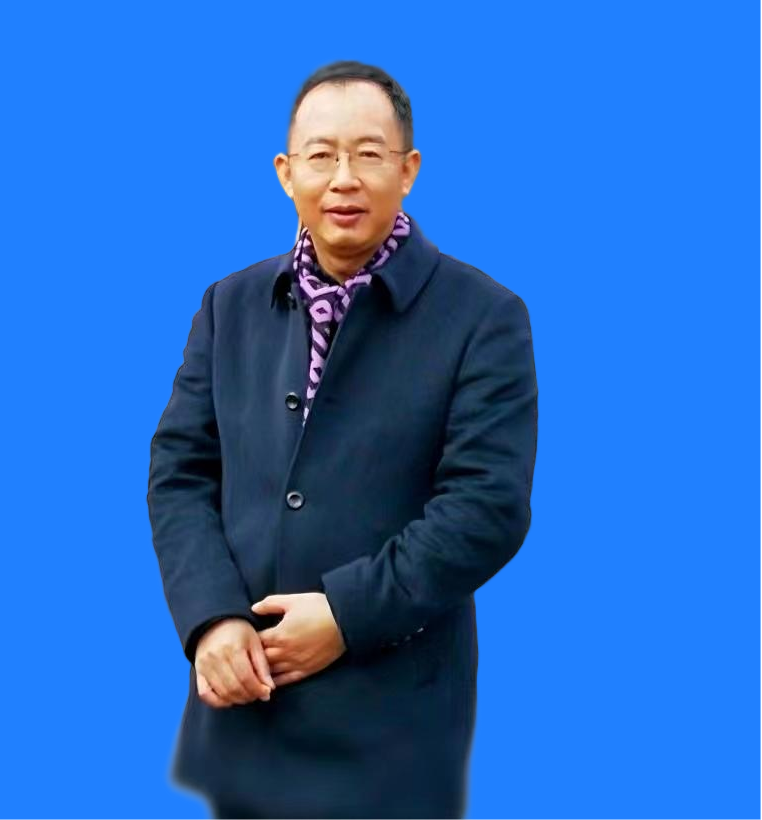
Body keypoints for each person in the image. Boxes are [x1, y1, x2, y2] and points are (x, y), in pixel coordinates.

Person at [147, 60, 538, 820]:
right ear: (286, 172)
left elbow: (487, 507)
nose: (344, 179)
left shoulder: (484, 317)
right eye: (321, 155)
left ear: (409, 170)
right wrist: (211, 619)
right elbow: (180, 473)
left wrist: (345, 615)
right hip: (247, 703)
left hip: (394, 722)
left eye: (368, 154)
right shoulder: (229, 305)